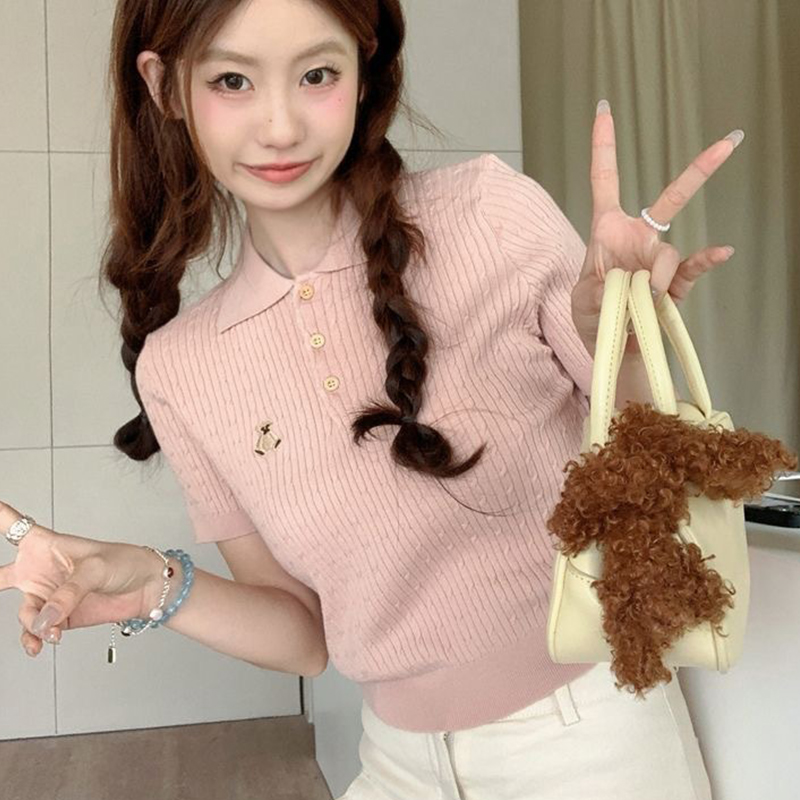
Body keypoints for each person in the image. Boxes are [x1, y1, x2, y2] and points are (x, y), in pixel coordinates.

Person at [0, 1, 743, 797]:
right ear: (164, 86)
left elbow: (653, 474)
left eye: (316, 73)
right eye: (232, 81)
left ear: (363, 70)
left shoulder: (487, 214)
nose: (280, 127)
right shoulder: (180, 368)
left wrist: (621, 332)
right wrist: (150, 581)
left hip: (593, 740)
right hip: (396, 764)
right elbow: (302, 633)